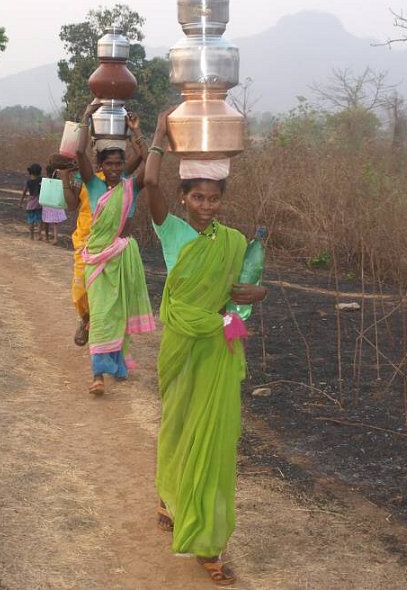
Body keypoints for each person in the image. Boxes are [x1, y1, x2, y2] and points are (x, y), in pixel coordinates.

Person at [144, 108, 267, 586]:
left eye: (214, 198)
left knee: (214, 440)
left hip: (220, 345)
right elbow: (149, 187)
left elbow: (243, 297)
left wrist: (257, 299)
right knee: (177, 428)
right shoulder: (170, 230)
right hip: (181, 346)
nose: (207, 205)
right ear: (183, 197)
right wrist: (157, 135)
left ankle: (209, 541)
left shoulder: (234, 242)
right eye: (198, 197)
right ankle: (169, 497)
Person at [72, 105, 155, 395]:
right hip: (97, 260)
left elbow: (150, 160)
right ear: (101, 166)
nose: (116, 169)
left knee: (117, 315)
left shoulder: (131, 187)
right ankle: (97, 375)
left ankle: (117, 365)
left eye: (120, 164)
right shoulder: (93, 186)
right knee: (101, 313)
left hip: (121, 260)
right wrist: (85, 119)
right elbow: (80, 154)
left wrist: (136, 132)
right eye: (110, 164)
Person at [41, 165, 67, 245]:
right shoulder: (59, 181)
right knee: (55, 223)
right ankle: (55, 238)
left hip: (47, 203)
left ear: (47, 172)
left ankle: (46, 237)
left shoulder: (45, 181)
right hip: (56, 204)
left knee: (46, 221)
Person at [19, 163, 43, 240]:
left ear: (30, 172)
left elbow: (24, 192)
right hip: (39, 203)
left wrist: (21, 202)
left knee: (31, 220)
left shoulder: (28, 182)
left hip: (31, 203)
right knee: (39, 220)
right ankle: (39, 235)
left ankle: (31, 236)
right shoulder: (41, 180)